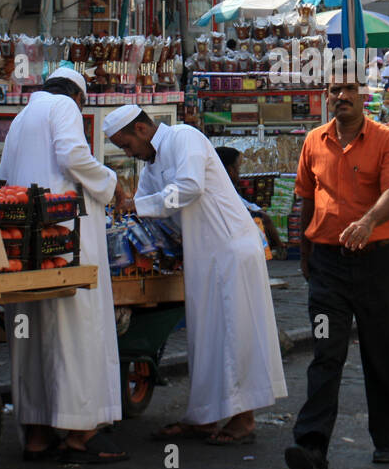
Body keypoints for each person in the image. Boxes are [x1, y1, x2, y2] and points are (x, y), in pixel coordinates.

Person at [110, 106, 287, 446]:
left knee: (236, 333)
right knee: (206, 339)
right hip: (201, 255)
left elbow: (188, 187)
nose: (127, 153)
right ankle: (203, 416)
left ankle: (243, 419)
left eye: (127, 145)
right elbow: (147, 203)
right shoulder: (151, 164)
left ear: (143, 130)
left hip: (230, 249)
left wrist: (137, 206)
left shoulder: (184, 138)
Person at [285, 76, 389, 469]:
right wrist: (304, 252)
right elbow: (306, 197)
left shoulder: (386, 139)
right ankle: (312, 448)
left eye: (349, 90)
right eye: (334, 91)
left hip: (374, 263)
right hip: (327, 267)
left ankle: (387, 439)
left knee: (379, 350)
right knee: (326, 352)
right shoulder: (314, 141)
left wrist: (368, 221)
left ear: (363, 97)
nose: (341, 97)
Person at [0, 67, 128, 464]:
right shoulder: (63, 107)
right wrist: (112, 183)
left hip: (28, 243)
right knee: (78, 332)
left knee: (33, 338)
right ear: (78, 96)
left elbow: (3, 177)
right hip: (66, 238)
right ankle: (79, 434)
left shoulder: (22, 116)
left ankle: (37, 437)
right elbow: (73, 155)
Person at [215, 145, 285, 256]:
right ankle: (279, 248)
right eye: (237, 168)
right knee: (263, 218)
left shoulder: (224, 187)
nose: (239, 173)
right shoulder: (222, 189)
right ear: (229, 170)